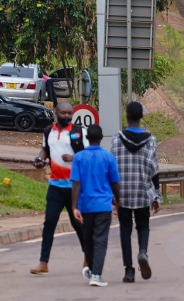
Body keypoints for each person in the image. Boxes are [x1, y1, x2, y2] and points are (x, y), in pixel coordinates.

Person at [30, 100, 86, 276]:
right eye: (64, 113)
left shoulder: (79, 132)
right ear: (56, 113)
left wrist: (74, 157)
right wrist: (39, 160)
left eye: (70, 113)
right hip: (55, 185)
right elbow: (45, 150)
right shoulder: (49, 132)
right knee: (49, 224)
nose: (67, 116)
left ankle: (89, 257)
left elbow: (88, 155)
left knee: (77, 224)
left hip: (74, 187)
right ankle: (43, 262)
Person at [111, 102, 161, 283]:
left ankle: (129, 270)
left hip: (122, 193)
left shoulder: (117, 139)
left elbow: (112, 169)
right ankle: (143, 252)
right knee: (143, 225)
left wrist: (112, 197)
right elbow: (154, 170)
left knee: (125, 230)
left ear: (127, 116)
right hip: (142, 191)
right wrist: (156, 196)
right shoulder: (151, 140)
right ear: (141, 117)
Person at [71, 125, 120, 288]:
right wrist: (118, 200)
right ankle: (96, 275)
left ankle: (92, 270)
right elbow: (114, 182)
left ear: (87, 138)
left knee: (88, 240)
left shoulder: (78, 157)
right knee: (100, 240)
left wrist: (74, 207)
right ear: (101, 137)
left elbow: (76, 183)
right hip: (103, 205)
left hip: (85, 206)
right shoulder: (108, 157)